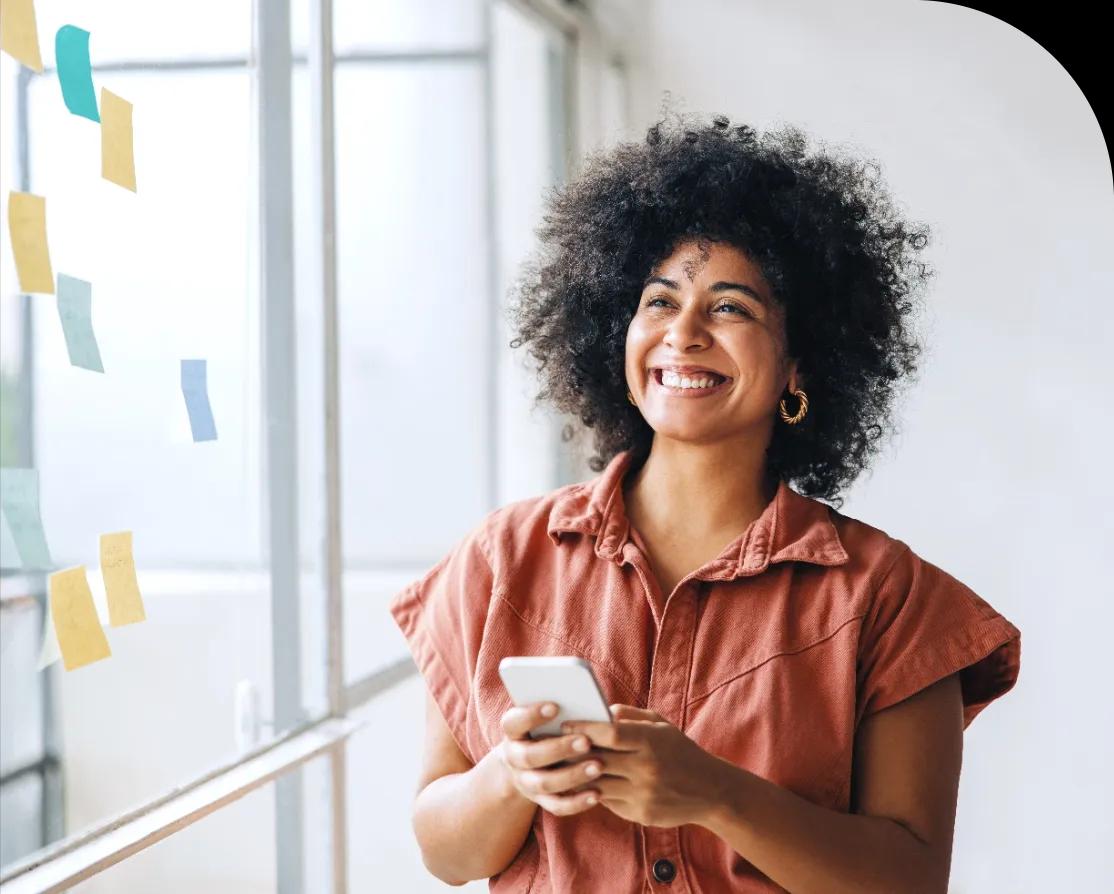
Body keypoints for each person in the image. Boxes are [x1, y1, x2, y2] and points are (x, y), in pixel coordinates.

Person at [388, 110, 1021, 893]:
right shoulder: (501, 558)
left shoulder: (887, 598)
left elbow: (910, 882)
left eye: (730, 307)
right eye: (658, 302)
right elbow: (446, 856)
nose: (683, 333)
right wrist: (512, 776)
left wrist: (718, 795)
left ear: (800, 365)